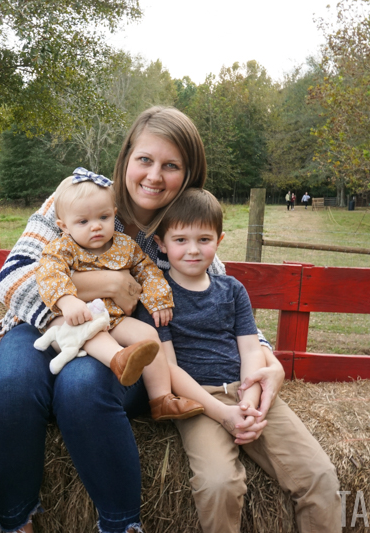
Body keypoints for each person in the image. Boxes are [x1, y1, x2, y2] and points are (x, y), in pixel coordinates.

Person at [0, 106, 286, 533]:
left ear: (189, 174)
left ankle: (121, 524)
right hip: (47, 323)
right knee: (10, 381)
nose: (154, 176)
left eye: (171, 165)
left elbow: (222, 307)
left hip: (125, 344)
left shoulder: (184, 229)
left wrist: (267, 359)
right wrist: (108, 282)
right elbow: (12, 279)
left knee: (82, 386)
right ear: (126, 158)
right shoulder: (76, 197)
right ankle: (14, 522)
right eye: (145, 160)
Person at [136, 188, 342, 533]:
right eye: (181, 239)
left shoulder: (232, 290)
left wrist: (249, 400)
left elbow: (250, 349)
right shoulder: (157, 302)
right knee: (219, 484)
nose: (192, 249)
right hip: (199, 402)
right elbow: (169, 370)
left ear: (219, 240)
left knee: (320, 475)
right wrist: (224, 414)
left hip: (249, 393)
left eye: (204, 239)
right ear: (161, 243)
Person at [35, 171, 204, 420]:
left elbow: (148, 271)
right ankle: (118, 359)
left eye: (103, 217)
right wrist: (67, 300)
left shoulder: (125, 245)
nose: (95, 226)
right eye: (83, 222)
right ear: (64, 226)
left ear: (114, 214)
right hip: (80, 318)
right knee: (91, 332)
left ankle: (161, 399)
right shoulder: (62, 247)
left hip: (116, 318)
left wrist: (158, 300)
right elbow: (48, 274)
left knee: (148, 335)